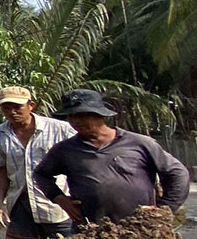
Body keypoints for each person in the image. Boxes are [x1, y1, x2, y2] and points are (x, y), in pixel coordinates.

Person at [32, 88, 190, 225]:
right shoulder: (64, 150)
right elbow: (41, 174)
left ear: (100, 115)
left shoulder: (139, 143)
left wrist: (164, 208)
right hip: (90, 233)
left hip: (140, 228)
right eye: (71, 116)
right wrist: (59, 198)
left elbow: (177, 173)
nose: (76, 121)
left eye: (83, 115)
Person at [0, 86, 75, 239]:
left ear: (31, 105)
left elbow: (79, 162)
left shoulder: (60, 129)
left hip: (57, 205)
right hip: (21, 203)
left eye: (17, 107)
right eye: (6, 108)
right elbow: (0, 170)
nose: (12, 112)